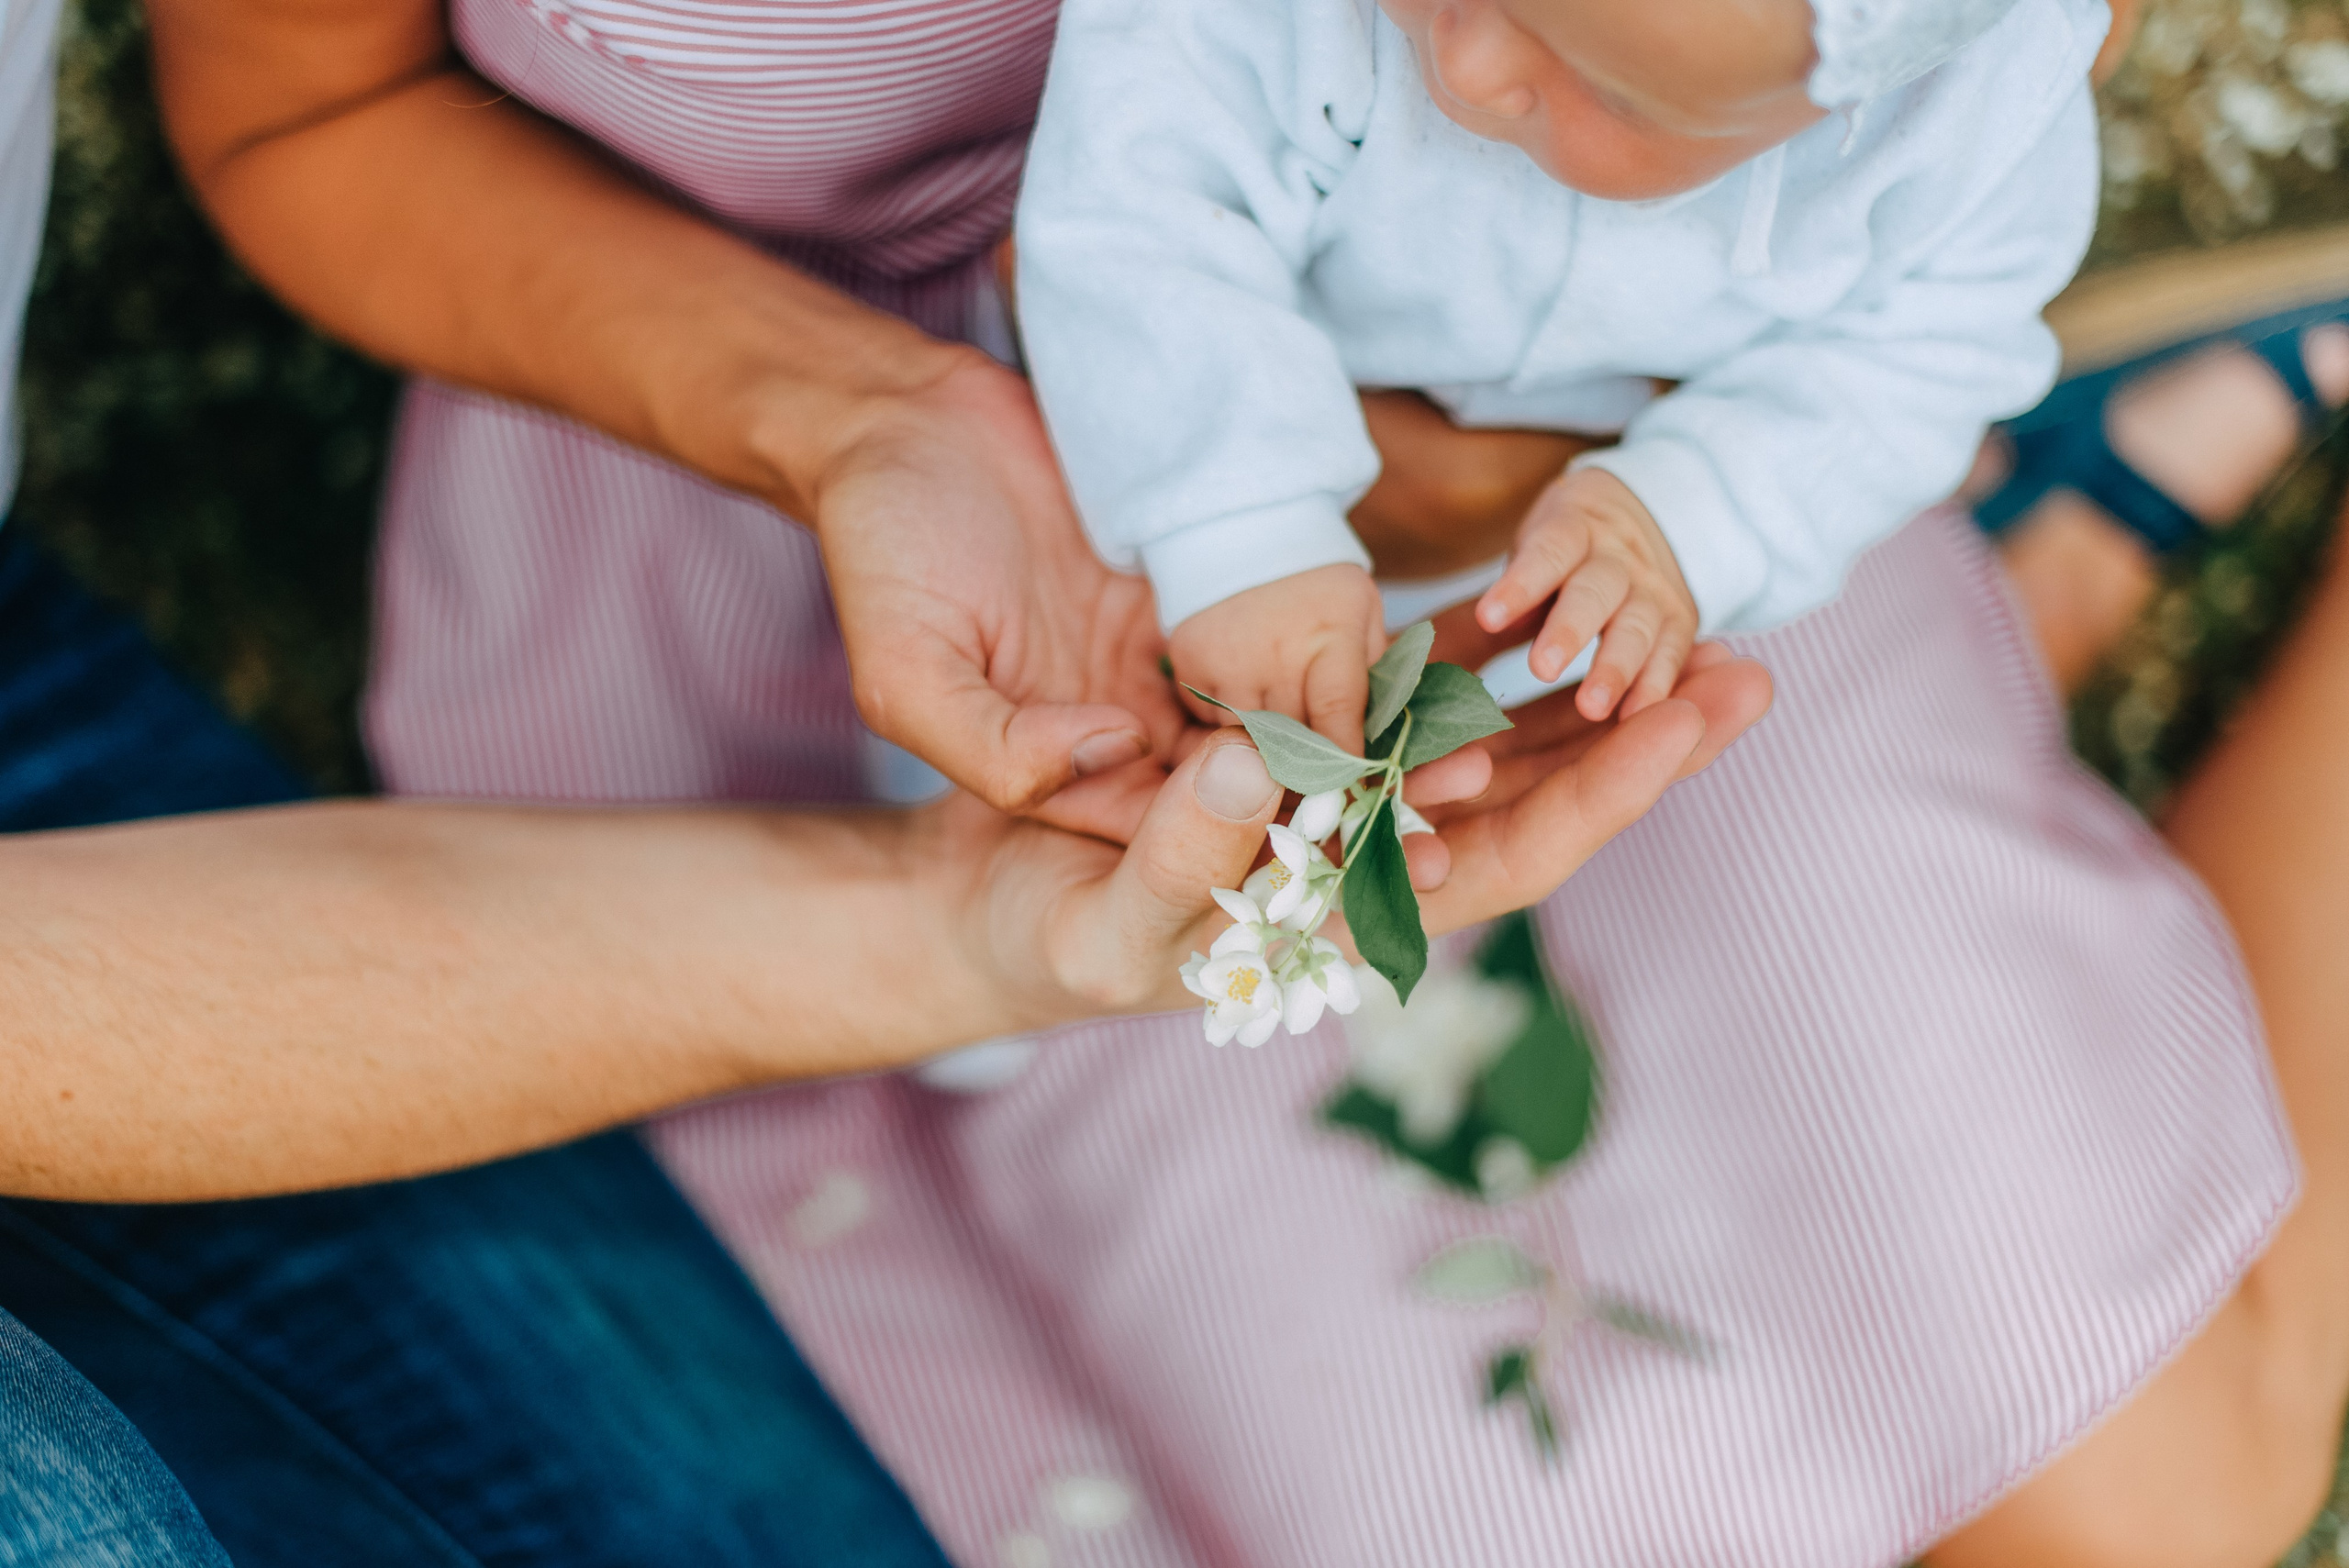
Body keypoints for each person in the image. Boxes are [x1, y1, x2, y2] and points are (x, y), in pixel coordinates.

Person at [148, 0, 2310, 1562]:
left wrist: (1673, 496)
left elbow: (1945, 221)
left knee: (2136, 1519)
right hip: (855, 541)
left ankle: (2023, 565)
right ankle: (2045, 568)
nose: (1466, 62)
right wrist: (937, 437)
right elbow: (308, 111)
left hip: (1576, 525)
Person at [1018, 0, 2098, 752]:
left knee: (1420, 744)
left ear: (1856, 100)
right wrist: (1238, 524)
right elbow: (1144, 201)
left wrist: (1692, 514)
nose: (1468, 64)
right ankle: (962, 878)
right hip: (1143, 422)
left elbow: (1928, 349)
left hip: (1553, 550)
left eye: (1615, 92)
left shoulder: (1978, 123)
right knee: (1050, 671)